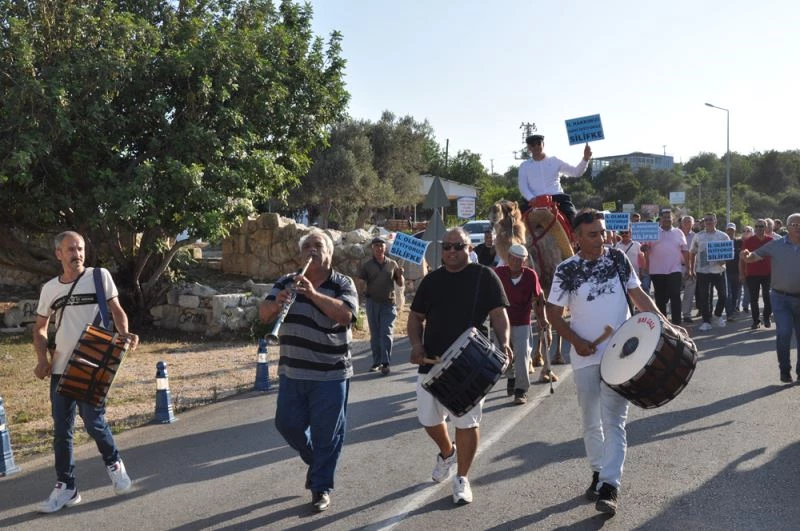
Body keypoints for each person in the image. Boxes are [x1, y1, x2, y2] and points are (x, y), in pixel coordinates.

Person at [546, 209, 673, 517]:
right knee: (591, 420)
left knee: (613, 420)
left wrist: (665, 323)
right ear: (576, 237)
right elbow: (552, 312)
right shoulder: (567, 269)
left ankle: (610, 486)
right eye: (592, 234)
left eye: (602, 232)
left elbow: (638, 295)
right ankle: (598, 471)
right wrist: (576, 341)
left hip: (623, 356)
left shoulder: (617, 259)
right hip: (585, 357)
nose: (600, 238)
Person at [32, 231, 139, 513]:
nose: (76, 254)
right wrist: (42, 358)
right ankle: (66, 487)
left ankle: (114, 464)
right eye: (70, 249)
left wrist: (125, 333)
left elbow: (116, 310)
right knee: (61, 432)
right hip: (60, 368)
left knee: (93, 421)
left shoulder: (99, 276)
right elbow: (40, 328)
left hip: (92, 365)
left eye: (79, 248)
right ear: (59, 254)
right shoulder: (49, 289)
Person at [407, 228, 512, 505]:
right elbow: (416, 317)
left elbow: (499, 316)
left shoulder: (484, 276)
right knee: (429, 420)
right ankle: (447, 452)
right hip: (433, 360)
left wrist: (504, 343)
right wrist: (416, 345)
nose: (451, 251)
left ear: (469, 248)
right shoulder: (431, 281)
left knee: (466, 420)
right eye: (447, 246)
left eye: (458, 246)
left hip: (472, 362)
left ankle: (462, 478)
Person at [259, 229, 359, 512]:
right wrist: (277, 302)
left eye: (318, 246)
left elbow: (346, 316)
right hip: (293, 371)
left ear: (330, 253)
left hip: (331, 373)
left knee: (327, 434)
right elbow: (263, 315)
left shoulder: (342, 283)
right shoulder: (285, 281)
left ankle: (320, 487)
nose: (312, 251)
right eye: (307, 247)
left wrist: (312, 294)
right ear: (300, 254)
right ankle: (317, 462)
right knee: (286, 424)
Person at [741, 213, 800, 383]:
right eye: (794, 224)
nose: (797, 227)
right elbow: (753, 256)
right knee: (784, 333)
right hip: (781, 298)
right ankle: (784, 369)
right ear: (786, 227)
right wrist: (746, 255)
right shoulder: (775, 245)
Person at [494, 243, 551, 404]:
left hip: (522, 320)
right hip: (502, 321)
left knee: (522, 354)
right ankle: (511, 376)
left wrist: (543, 318)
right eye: (514, 259)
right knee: (502, 355)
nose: (517, 263)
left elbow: (540, 298)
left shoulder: (530, 275)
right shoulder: (499, 273)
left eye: (521, 260)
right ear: (508, 258)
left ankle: (521, 390)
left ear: (525, 261)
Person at [517, 134, 592, 224]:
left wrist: (586, 158)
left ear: (543, 144)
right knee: (515, 223)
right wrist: (532, 198)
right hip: (533, 201)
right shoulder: (524, 166)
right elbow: (523, 186)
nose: (536, 146)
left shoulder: (554, 161)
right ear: (529, 148)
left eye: (538, 143)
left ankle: (575, 238)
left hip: (557, 199)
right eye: (533, 145)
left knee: (574, 219)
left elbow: (576, 172)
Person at [357, 237, 404, 375]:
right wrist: (361, 292)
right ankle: (376, 362)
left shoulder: (392, 264)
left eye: (381, 245)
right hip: (372, 303)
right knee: (375, 335)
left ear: (385, 248)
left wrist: (400, 275)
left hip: (388, 304)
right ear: (372, 248)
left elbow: (400, 283)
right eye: (376, 245)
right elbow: (361, 281)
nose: (379, 248)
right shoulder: (367, 265)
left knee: (386, 333)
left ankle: (386, 363)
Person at [643, 209, 688, 325]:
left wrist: (688, 267)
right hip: (657, 271)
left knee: (675, 295)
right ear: (660, 219)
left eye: (669, 217)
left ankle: (677, 324)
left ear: (672, 219)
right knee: (660, 299)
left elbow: (685, 250)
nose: (667, 219)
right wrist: (644, 251)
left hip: (675, 270)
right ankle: (663, 324)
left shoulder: (679, 232)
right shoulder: (653, 232)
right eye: (664, 217)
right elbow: (645, 249)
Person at [689, 213, 730, 331]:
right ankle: (706, 321)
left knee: (723, 295)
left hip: (719, 270)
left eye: (710, 220)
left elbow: (728, 252)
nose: (708, 222)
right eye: (706, 220)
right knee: (704, 297)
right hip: (702, 271)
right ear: (703, 222)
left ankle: (717, 316)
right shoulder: (698, 236)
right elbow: (692, 252)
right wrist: (691, 269)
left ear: (715, 221)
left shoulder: (723, 236)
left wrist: (724, 260)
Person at [740, 219, 773, 330]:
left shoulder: (771, 240)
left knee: (767, 297)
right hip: (752, 274)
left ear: (766, 227)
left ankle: (767, 317)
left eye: (761, 226)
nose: (759, 228)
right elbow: (742, 259)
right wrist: (741, 274)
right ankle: (756, 321)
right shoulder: (748, 241)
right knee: (753, 299)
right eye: (757, 226)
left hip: (767, 274)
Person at [679, 216, 697, 323]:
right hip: (676, 266)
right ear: (681, 223)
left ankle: (686, 314)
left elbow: (697, 253)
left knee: (689, 293)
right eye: (684, 221)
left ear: (693, 224)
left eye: (689, 221)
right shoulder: (676, 234)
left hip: (692, 266)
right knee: (674, 292)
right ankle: (675, 312)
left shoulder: (696, 236)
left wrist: (692, 268)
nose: (686, 223)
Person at [724, 223, 744, 318]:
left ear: (735, 231)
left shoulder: (739, 242)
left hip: (737, 271)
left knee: (736, 293)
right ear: (726, 230)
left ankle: (733, 308)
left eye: (732, 230)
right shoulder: (722, 242)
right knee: (728, 294)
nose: (730, 232)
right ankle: (730, 313)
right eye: (728, 230)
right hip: (725, 271)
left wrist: (742, 272)